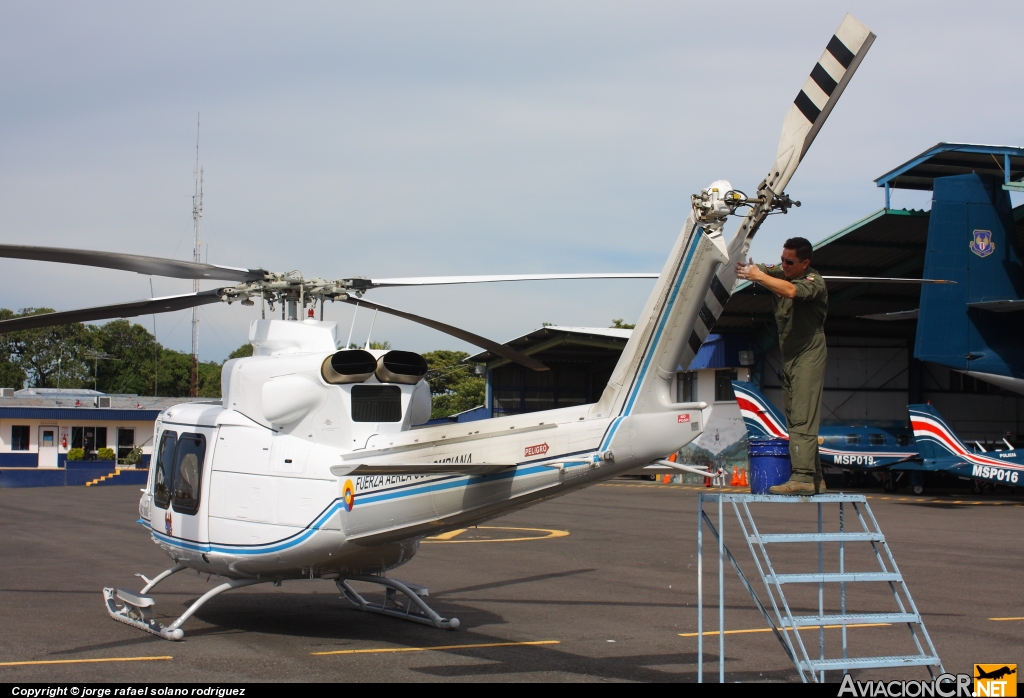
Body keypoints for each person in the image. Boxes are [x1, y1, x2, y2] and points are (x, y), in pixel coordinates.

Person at [736, 237, 828, 495]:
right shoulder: (784, 270)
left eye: (790, 262)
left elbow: (790, 291)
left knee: (802, 418)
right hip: (790, 354)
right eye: (783, 259)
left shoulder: (814, 282)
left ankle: (803, 478)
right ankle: (816, 478)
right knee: (795, 418)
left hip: (808, 353)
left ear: (805, 263)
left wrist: (759, 276)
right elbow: (766, 270)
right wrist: (747, 269)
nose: (784, 265)